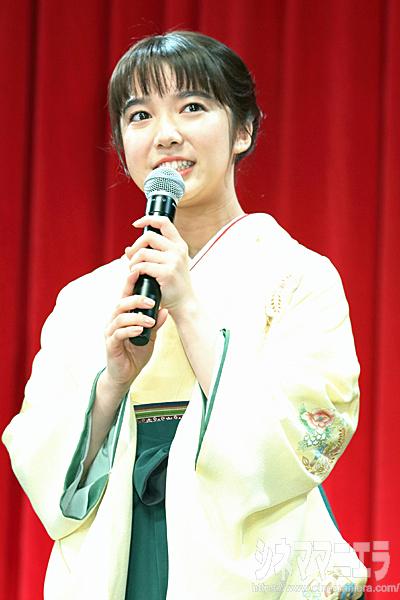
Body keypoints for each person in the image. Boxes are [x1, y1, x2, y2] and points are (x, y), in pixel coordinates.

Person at [2, 31, 367, 599]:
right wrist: (112, 384)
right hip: (116, 550)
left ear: (243, 130)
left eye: (192, 107)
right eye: (140, 115)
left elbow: (311, 433)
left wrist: (190, 310)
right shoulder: (84, 299)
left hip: (246, 558)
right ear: (122, 145)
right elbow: (40, 451)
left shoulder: (299, 277)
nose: (166, 133)